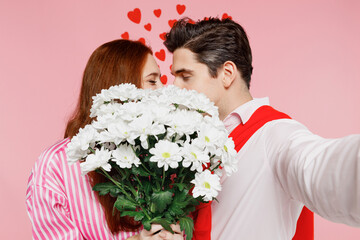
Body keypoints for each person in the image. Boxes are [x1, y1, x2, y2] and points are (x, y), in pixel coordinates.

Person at [164, 17, 360, 239]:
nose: (174, 87)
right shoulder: (187, 146)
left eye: (185, 76)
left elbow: (321, 169)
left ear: (227, 73)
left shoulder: (277, 135)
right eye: (174, 76)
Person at [26, 39, 184, 240]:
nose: (163, 90)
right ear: (119, 87)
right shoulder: (56, 165)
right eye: (152, 81)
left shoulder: (168, 156)